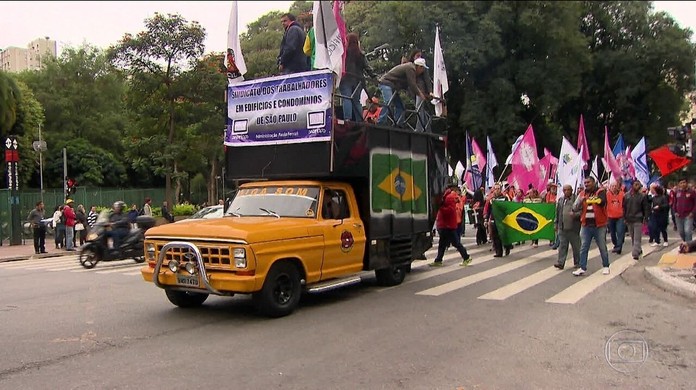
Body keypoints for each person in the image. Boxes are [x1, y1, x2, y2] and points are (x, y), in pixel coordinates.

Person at [572, 176, 611, 276]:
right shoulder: (582, 193)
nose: (586, 184)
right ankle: (582, 267)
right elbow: (574, 207)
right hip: (586, 225)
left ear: (593, 182)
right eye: (585, 183)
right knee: (584, 247)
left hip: (599, 225)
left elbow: (602, 202)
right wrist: (581, 200)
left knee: (602, 246)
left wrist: (592, 200)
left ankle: (606, 266)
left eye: (588, 182)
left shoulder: (601, 191)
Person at [377, 58, 431, 126]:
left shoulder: (411, 70)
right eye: (422, 69)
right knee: (388, 102)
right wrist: (420, 94)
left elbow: (410, 87)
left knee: (400, 107)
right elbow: (412, 84)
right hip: (386, 83)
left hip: (394, 87)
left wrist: (425, 94)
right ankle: (380, 122)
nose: (422, 72)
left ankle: (397, 124)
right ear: (420, 67)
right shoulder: (410, 68)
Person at [430, 184, 472, 267]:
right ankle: (438, 260)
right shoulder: (447, 196)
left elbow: (450, 210)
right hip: (446, 225)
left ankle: (466, 257)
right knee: (443, 244)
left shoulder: (449, 197)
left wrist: (440, 207)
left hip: (448, 225)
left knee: (455, 243)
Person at [340, 32, 376, 122]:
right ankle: (359, 120)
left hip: (346, 79)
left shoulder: (344, 54)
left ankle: (347, 118)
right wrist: (374, 77)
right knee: (356, 101)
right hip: (359, 81)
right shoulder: (360, 54)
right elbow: (367, 68)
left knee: (346, 98)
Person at [554, 185, 581, 270]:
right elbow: (558, 212)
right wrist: (556, 223)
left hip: (573, 227)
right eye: (564, 190)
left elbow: (582, 211)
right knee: (562, 245)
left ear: (572, 190)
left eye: (568, 190)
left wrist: (575, 215)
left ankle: (578, 262)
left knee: (576, 246)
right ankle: (560, 262)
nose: (566, 192)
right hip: (562, 227)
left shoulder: (576, 199)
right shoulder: (561, 200)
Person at [623, 180, 650, 260]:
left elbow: (646, 208)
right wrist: (624, 218)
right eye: (636, 184)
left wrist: (646, 218)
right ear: (632, 185)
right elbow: (624, 208)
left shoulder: (642, 196)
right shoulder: (626, 196)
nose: (637, 186)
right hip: (629, 219)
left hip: (638, 219)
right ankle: (638, 250)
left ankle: (635, 253)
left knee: (637, 238)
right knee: (633, 237)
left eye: (638, 185)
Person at [485, 184, 513, 257]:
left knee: (503, 235)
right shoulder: (491, 199)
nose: (497, 190)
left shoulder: (504, 198)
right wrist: (486, 219)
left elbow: (507, 208)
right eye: (495, 189)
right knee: (495, 236)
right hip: (494, 219)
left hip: (502, 220)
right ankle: (499, 252)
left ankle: (507, 247)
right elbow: (489, 210)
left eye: (498, 188)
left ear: (500, 189)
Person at [672, 178, 696, 243]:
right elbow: (674, 202)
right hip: (678, 216)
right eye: (681, 183)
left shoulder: (692, 192)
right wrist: (675, 212)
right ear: (679, 184)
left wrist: (692, 212)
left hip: (688, 215)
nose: (683, 184)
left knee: (687, 231)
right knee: (681, 232)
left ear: (686, 183)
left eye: (684, 182)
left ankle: (688, 246)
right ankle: (686, 243)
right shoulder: (677, 192)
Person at [606, 182, 626, 254]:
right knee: (612, 233)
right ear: (610, 187)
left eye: (615, 186)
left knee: (620, 232)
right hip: (610, 216)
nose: (614, 187)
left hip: (620, 216)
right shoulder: (607, 194)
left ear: (618, 186)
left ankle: (619, 247)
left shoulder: (622, 194)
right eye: (612, 186)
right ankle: (616, 244)